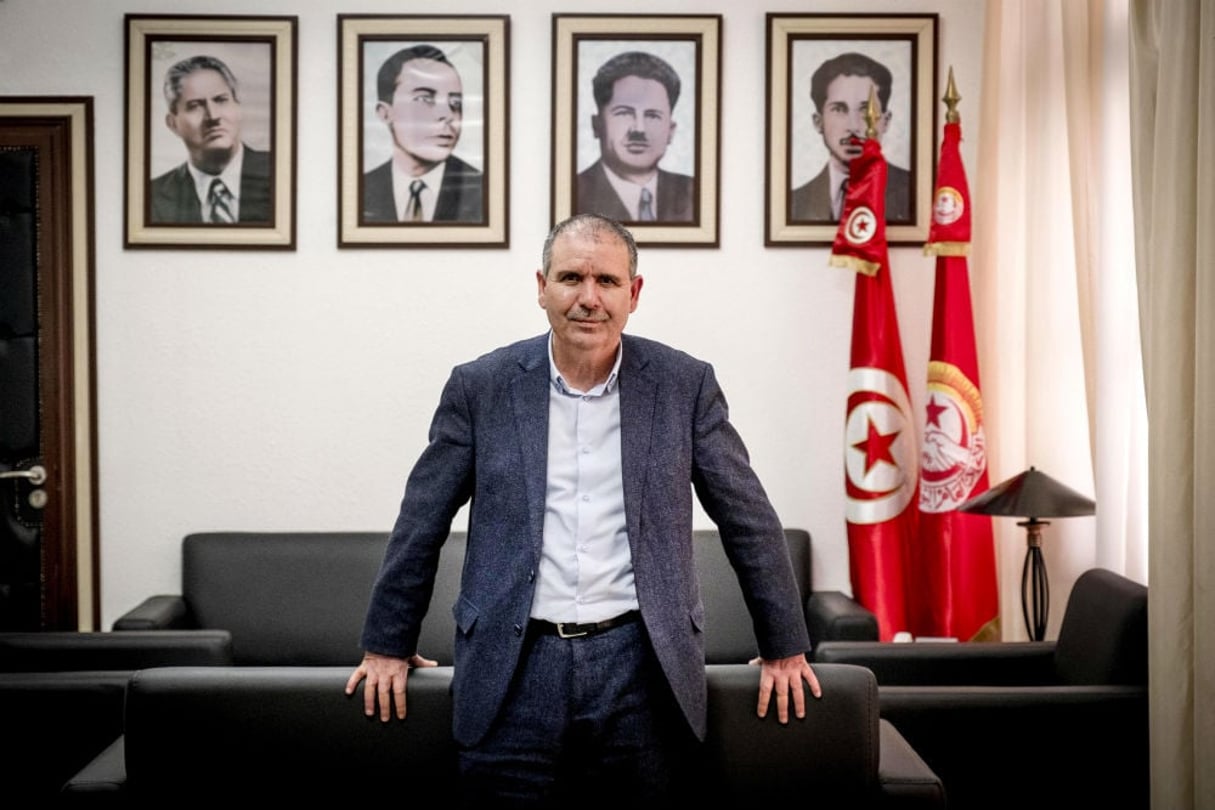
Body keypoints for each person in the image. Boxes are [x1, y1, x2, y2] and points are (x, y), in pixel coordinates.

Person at [346, 213, 821, 806]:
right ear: (541, 286)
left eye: (607, 282)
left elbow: (747, 517)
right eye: (571, 278)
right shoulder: (481, 387)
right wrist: (386, 643)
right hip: (512, 665)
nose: (588, 299)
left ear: (634, 293)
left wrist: (784, 644)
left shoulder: (684, 386)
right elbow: (422, 522)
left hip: (642, 665)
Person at [363, 44, 483, 224]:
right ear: (385, 113)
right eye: (424, 99)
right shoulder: (360, 189)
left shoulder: (484, 191)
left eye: (455, 102)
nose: (447, 114)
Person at [790, 51, 912, 223]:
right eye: (839, 109)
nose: (853, 127)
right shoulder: (795, 203)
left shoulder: (913, 192)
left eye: (865, 110)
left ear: (886, 121)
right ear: (818, 122)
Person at [150, 54, 272, 224]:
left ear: (238, 107)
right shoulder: (150, 197)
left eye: (221, 100)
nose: (213, 116)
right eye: (195, 106)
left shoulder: (280, 172)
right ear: (173, 124)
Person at [575, 51, 694, 223]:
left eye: (652, 115)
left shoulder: (696, 194)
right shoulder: (573, 194)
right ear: (597, 125)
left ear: (671, 130)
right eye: (624, 113)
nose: (639, 129)